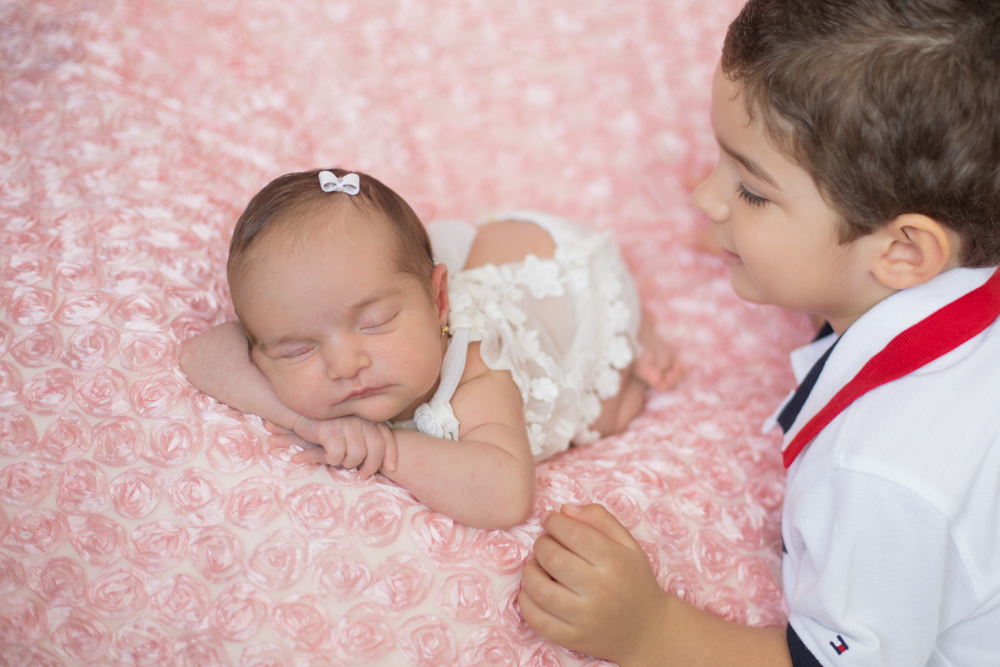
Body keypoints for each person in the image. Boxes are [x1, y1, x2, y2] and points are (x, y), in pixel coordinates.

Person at [517, 0, 1000, 664]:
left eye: (750, 189)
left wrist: (649, 629)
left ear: (905, 252)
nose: (705, 199)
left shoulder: (873, 471)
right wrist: (755, 222)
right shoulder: (961, 256)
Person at [180, 168, 678, 530]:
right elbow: (201, 355)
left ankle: (640, 332)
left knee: (613, 408)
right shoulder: (328, 319)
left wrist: (387, 446)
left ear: (439, 300)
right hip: (457, 276)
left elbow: (505, 494)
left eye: (374, 323)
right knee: (410, 261)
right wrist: (311, 422)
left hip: (571, 294)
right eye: (296, 351)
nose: (345, 364)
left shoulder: (477, 370)